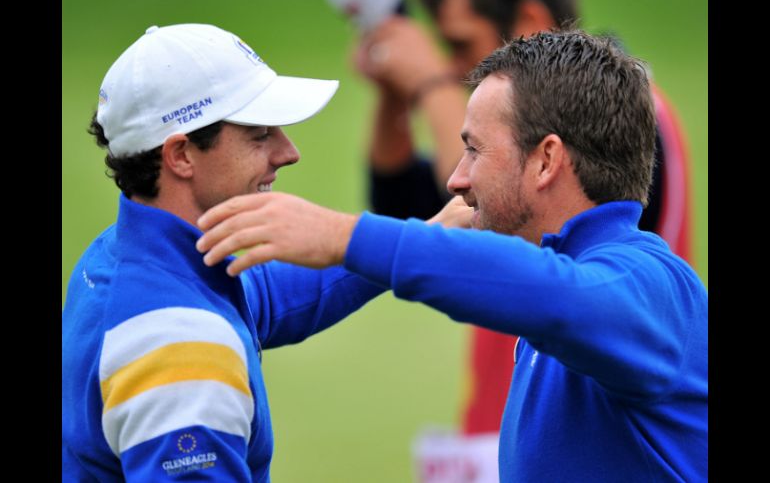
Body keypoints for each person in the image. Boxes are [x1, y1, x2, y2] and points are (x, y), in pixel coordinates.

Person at [196, 30, 708, 481]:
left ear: (546, 160)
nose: (455, 178)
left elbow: (555, 296)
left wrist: (345, 235)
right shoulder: (576, 271)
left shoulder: (654, 284)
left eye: (475, 150)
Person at [353, 0, 694, 445]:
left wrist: (430, 85)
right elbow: (405, 209)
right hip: (521, 415)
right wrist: (394, 93)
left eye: (460, 43)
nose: (455, 66)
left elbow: (492, 204)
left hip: (594, 425)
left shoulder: (627, 110)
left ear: (530, 21)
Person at [61, 23, 389, 481]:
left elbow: (267, 293)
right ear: (181, 155)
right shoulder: (179, 351)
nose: (288, 152)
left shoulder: (125, 254)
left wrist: (426, 238)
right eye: (258, 134)